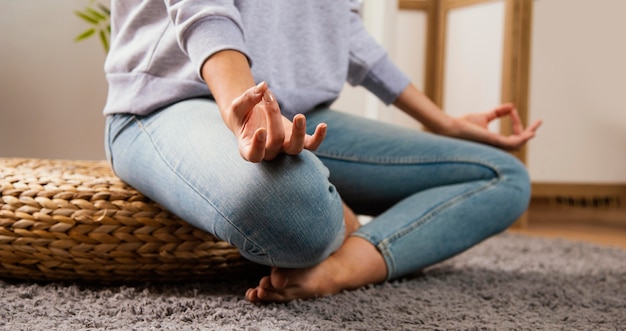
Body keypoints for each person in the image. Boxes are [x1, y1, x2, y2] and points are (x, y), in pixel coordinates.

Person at [103, 0, 542, 303]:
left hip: (300, 115)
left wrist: (442, 121)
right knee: (299, 216)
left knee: (502, 176)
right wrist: (249, 109)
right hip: (166, 104)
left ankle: (348, 266)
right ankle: (339, 214)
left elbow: (345, 30)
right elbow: (204, 9)